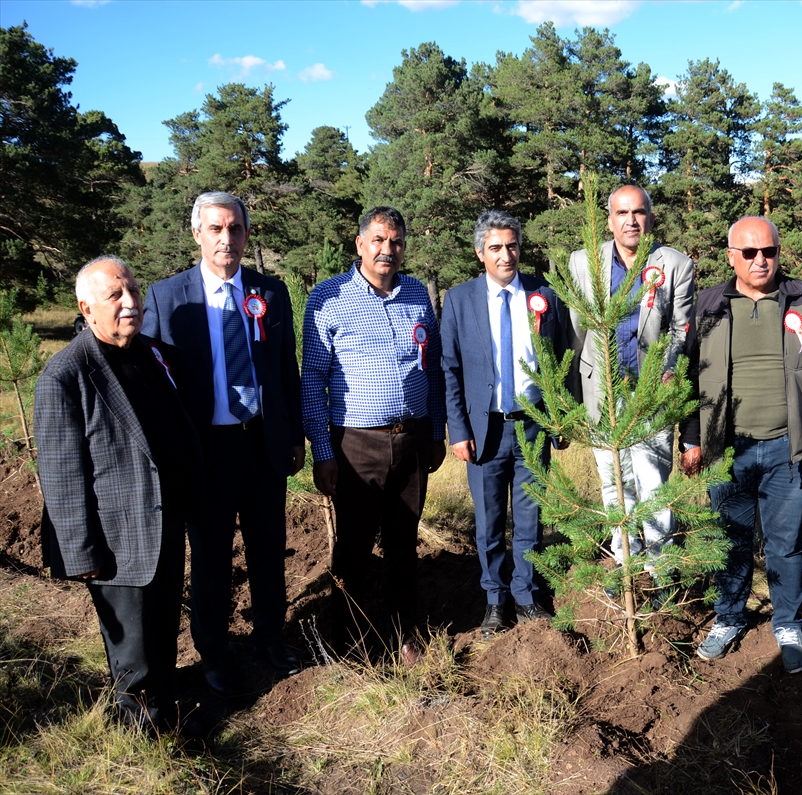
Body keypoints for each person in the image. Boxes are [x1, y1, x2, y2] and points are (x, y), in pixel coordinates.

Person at [142, 191, 305, 695]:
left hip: (262, 444)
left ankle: (270, 637)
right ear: (197, 234)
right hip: (205, 450)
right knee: (210, 555)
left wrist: (293, 433)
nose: (226, 238)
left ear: (246, 234)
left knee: (267, 548)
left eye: (234, 228)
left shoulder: (271, 293)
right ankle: (213, 650)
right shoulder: (167, 298)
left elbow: (285, 371)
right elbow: (153, 382)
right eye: (215, 229)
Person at [37, 257, 202, 733]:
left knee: (164, 628)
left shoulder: (150, 353)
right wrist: (81, 550)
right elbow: (62, 472)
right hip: (114, 538)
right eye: (116, 296)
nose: (131, 303)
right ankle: (141, 738)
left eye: (133, 291)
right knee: (132, 647)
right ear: (86, 308)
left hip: (163, 521)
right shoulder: (66, 374)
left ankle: (166, 713)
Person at [680, 216, 802, 674]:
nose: (760, 260)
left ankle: (789, 624)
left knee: (785, 544)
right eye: (749, 253)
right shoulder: (709, 305)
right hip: (725, 450)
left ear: (778, 251)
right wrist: (692, 438)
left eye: (768, 251)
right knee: (729, 541)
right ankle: (729, 617)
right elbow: (690, 379)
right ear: (730, 255)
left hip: (789, 450)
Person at [302, 206, 446, 664]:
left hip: (413, 439)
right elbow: (312, 383)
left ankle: (405, 635)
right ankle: (344, 640)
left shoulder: (417, 294)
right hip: (356, 445)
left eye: (397, 241)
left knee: (404, 544)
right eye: (379, 240)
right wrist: (322, 452)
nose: (388, 249)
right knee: (355, 549)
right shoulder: (328, 298)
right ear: (361, 244)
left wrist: (436, 429)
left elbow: (434, 366)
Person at [442, 210, 570, 638]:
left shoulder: (543, 294)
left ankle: (527, 595)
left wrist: (560, 417)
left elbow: (562, 359)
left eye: (512, 245)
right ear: (481, 252)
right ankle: (496, 601)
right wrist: (457, 429)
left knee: (531, 519)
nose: (505, 255)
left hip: (533, 424)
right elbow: (450, 368)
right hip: (485, 431)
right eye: (495, 247)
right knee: (490, 522)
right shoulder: (460, 300)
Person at [566, 185, 694, 587]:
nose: (631, 220)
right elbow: (575, 329)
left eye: (639, 212)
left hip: (651, 392)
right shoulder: (583, 262)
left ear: (650, 218)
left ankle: (661, 571)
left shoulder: (674, 264)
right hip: (600, 390)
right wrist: (573, 391)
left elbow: (681, 330)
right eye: (622, 213)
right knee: (613, 481)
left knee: (653, 482)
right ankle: (627, 568)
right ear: (609, 220)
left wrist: (665, 371)